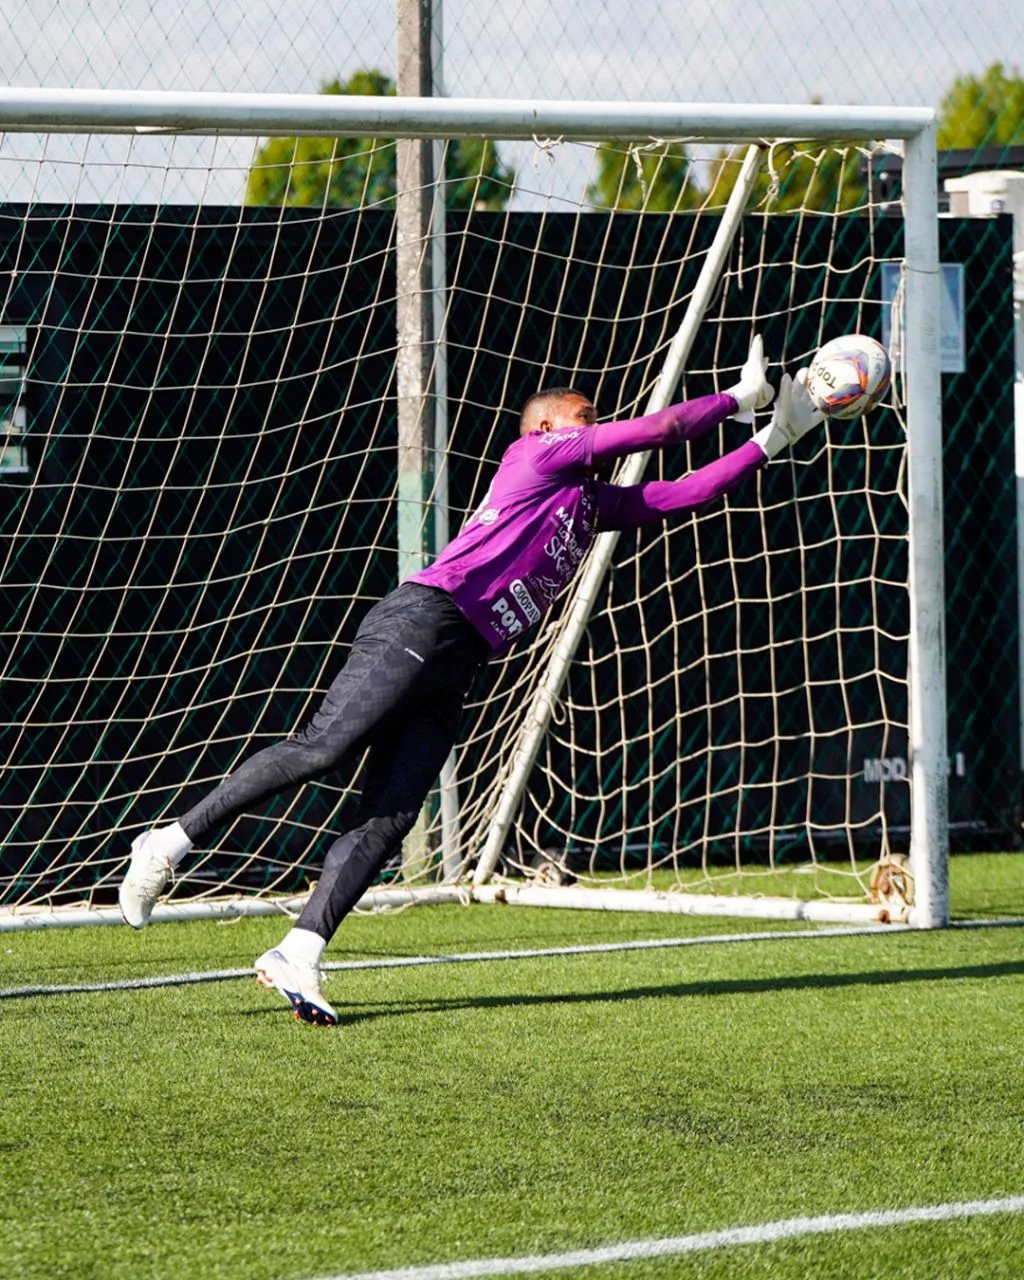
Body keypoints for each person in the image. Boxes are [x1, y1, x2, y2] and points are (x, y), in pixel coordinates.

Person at [117, 338, 824, 1026]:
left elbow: (677, 495)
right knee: (324, 749)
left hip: (461, 657)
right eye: (585, 416)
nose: (595, 425)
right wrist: (738, 396)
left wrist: (770, 440)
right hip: (423, 622)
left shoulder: (587, 504)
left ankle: (301, 949)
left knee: (391, 816)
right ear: (548, 426)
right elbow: (663, 429)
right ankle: (169, 843)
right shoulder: (537, 456)